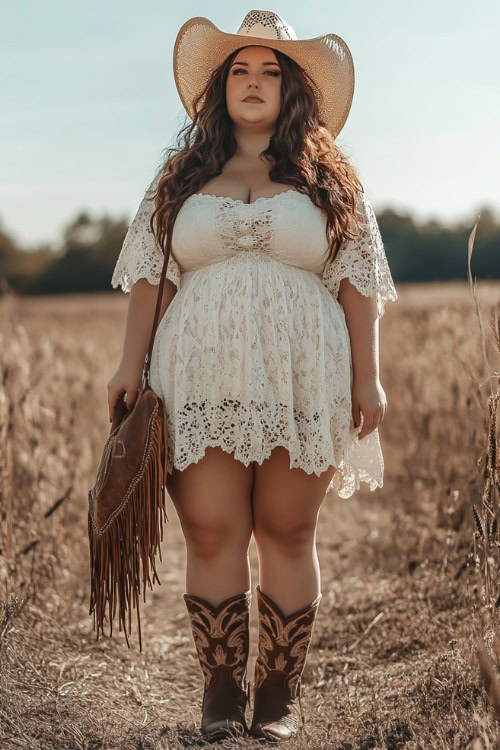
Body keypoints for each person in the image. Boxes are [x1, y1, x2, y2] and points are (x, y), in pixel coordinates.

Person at [108, 9, 398, 744]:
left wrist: (370, 377)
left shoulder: (332, 178)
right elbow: (152, 276)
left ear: (294, 85)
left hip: (305, 374)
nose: (255, 81)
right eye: (240, 68)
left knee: (286, 529)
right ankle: (217, 691)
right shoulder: (179, 178)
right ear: (219, 86)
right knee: (211, 528)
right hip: (197, 373)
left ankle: (276, 695)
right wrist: (127, 366)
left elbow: (358, 281)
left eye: (271, 69)